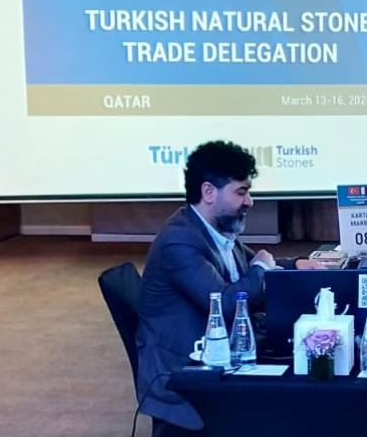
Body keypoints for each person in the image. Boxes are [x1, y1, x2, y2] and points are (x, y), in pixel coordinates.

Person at [136, 139, 317, 421]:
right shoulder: (179, 241)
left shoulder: (213, 228)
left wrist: (296, 265)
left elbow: (251, 267)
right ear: (209, 192)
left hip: (225, 351)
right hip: (189, 372)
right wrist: (262, 269)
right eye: (241, 192)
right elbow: (225, 304)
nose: (249, 202)